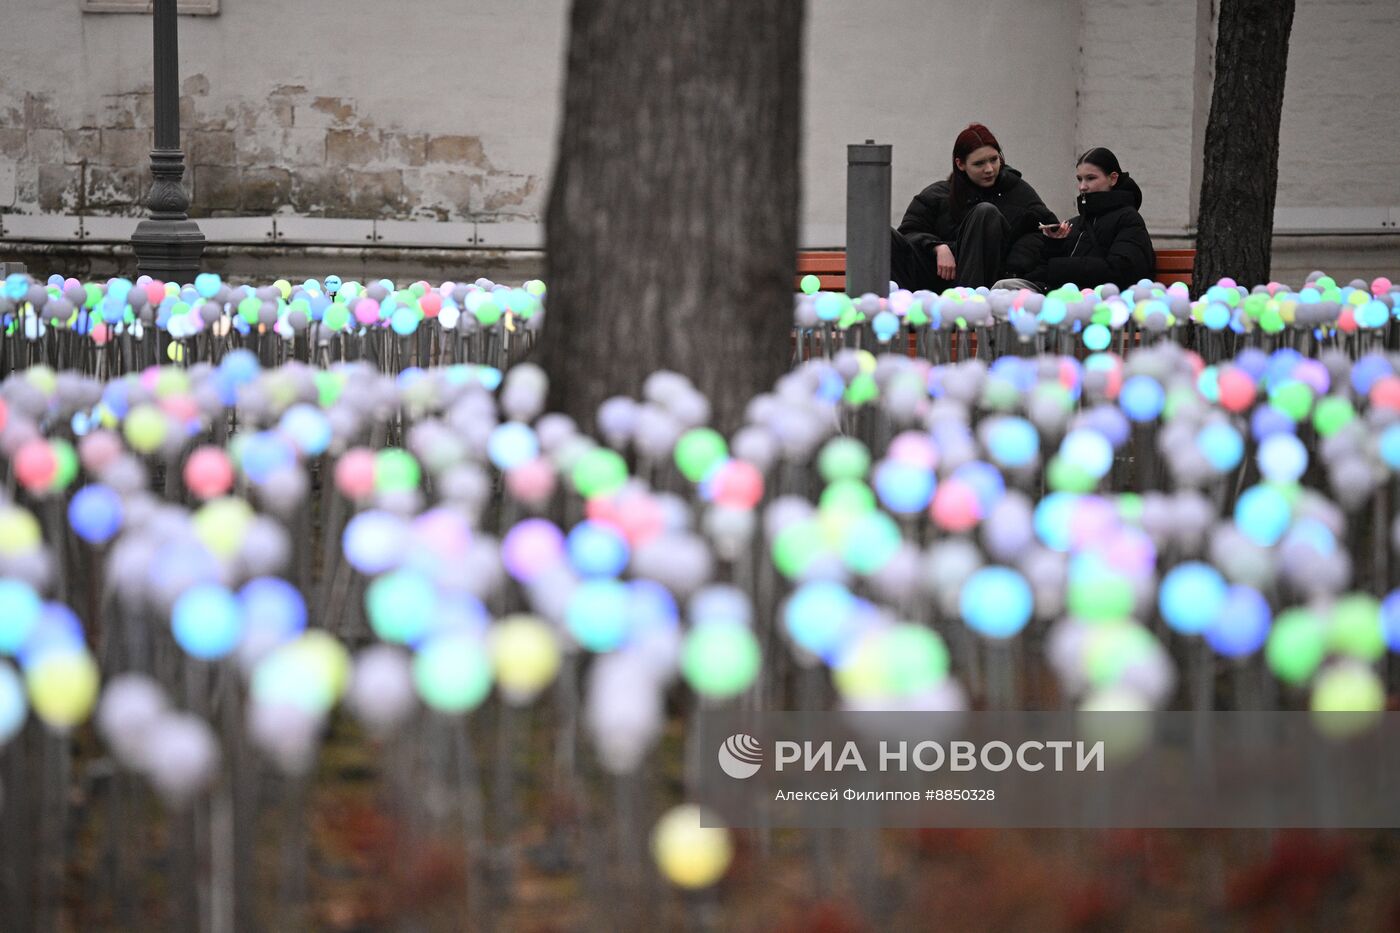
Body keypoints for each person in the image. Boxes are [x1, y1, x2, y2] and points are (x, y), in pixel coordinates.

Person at [890, 123, 1058, 291]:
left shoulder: (1018, 192)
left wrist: (1013, 264)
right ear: (960, 164)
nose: (989, 169)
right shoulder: (938, 194)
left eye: (994, 160)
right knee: (883, 233)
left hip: (986, 285)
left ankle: (969, 304)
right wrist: (937, 246)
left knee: (985, 212)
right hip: (935, 278)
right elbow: (908, 234)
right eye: (979, 164)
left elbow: (1048, 231)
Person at [994, 147, 1155, 293]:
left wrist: (1059, 267)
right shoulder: (1078, 221)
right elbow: (1044, 271)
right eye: (1079, 179)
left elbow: (1121, 270)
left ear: (1113, 179)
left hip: (1096, 298)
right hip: (1063, 293)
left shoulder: (1128, 218)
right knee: (1002, 288)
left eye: (1090, 178)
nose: (1082, 187)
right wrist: (1053, 245)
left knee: (1007, 293)